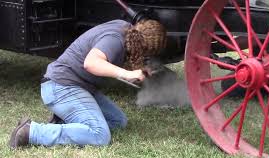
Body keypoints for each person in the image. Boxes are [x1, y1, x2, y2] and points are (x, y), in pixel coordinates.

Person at [9, 19, 167, 148]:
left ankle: (67, 122)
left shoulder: (125, 29)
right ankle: (32, 132)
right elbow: (91, 63)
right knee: (100, 135)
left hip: (78, 87)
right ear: (145, 47)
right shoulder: (115, 39)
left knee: (118, 122)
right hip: (61, 87)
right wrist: (127, 73)